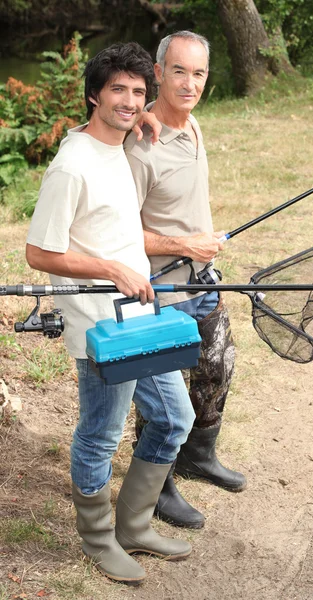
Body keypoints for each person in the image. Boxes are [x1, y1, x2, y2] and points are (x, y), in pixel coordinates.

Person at [25, 42, 195, 586]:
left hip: (138, 314)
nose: (129, 101)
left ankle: (135, 525)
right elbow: (39, 252)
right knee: (101, 432)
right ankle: (98, 539)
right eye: (117, 90)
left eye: (139, 93)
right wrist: (112, 269)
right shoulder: (71, 167)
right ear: (93, 93)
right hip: (101, 323)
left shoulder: (117, 143)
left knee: (174, 418)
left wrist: (138, 114)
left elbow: (131, 114)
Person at [124, 31, 247, 531]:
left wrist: (201, 241)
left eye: (198, 73)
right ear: (158, 73)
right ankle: (158, 487)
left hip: (203, 278)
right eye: (179, 71)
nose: (189, 83)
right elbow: (121, 233)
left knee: (218, 366)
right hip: (162, 290)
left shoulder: (192, 124)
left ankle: (198, 456)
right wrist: (184, 245)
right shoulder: (141, 144)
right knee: (163, 394)